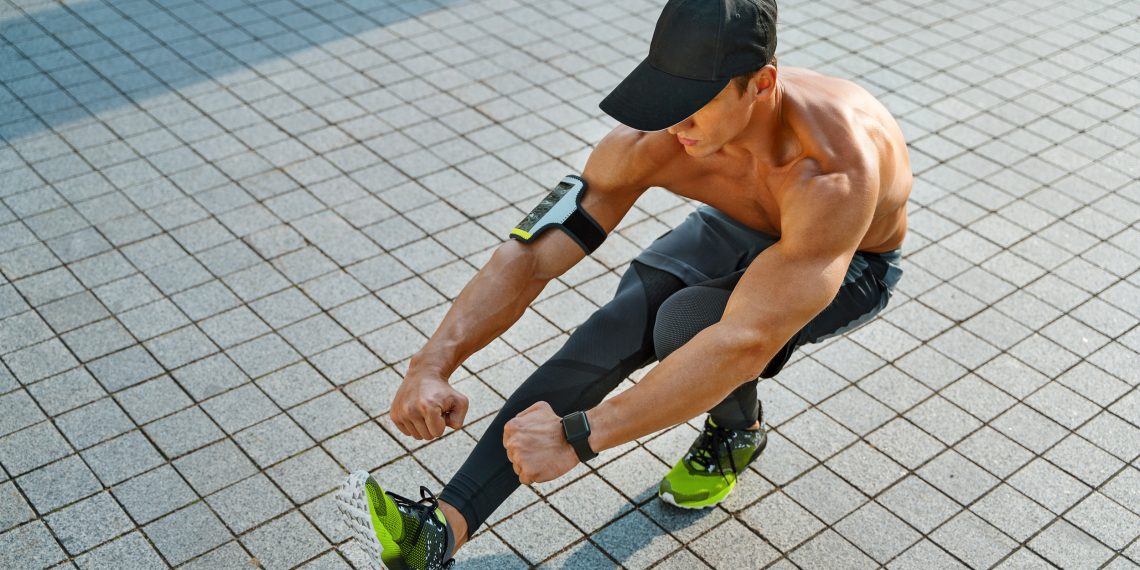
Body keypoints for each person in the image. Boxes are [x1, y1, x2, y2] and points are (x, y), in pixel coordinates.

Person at [337, 0, 909, 567]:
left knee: (688, 323)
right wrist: (432, 362)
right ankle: (439, 530)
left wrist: (580, 435)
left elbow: (745, 340)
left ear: (761, 84)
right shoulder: (655, 137)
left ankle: (738, 431)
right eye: (667, 97)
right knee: (614, 328)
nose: (675, 123)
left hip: (850, 260)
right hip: (733, 224)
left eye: (695, 104)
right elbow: (532, 254)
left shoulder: (833, 173)